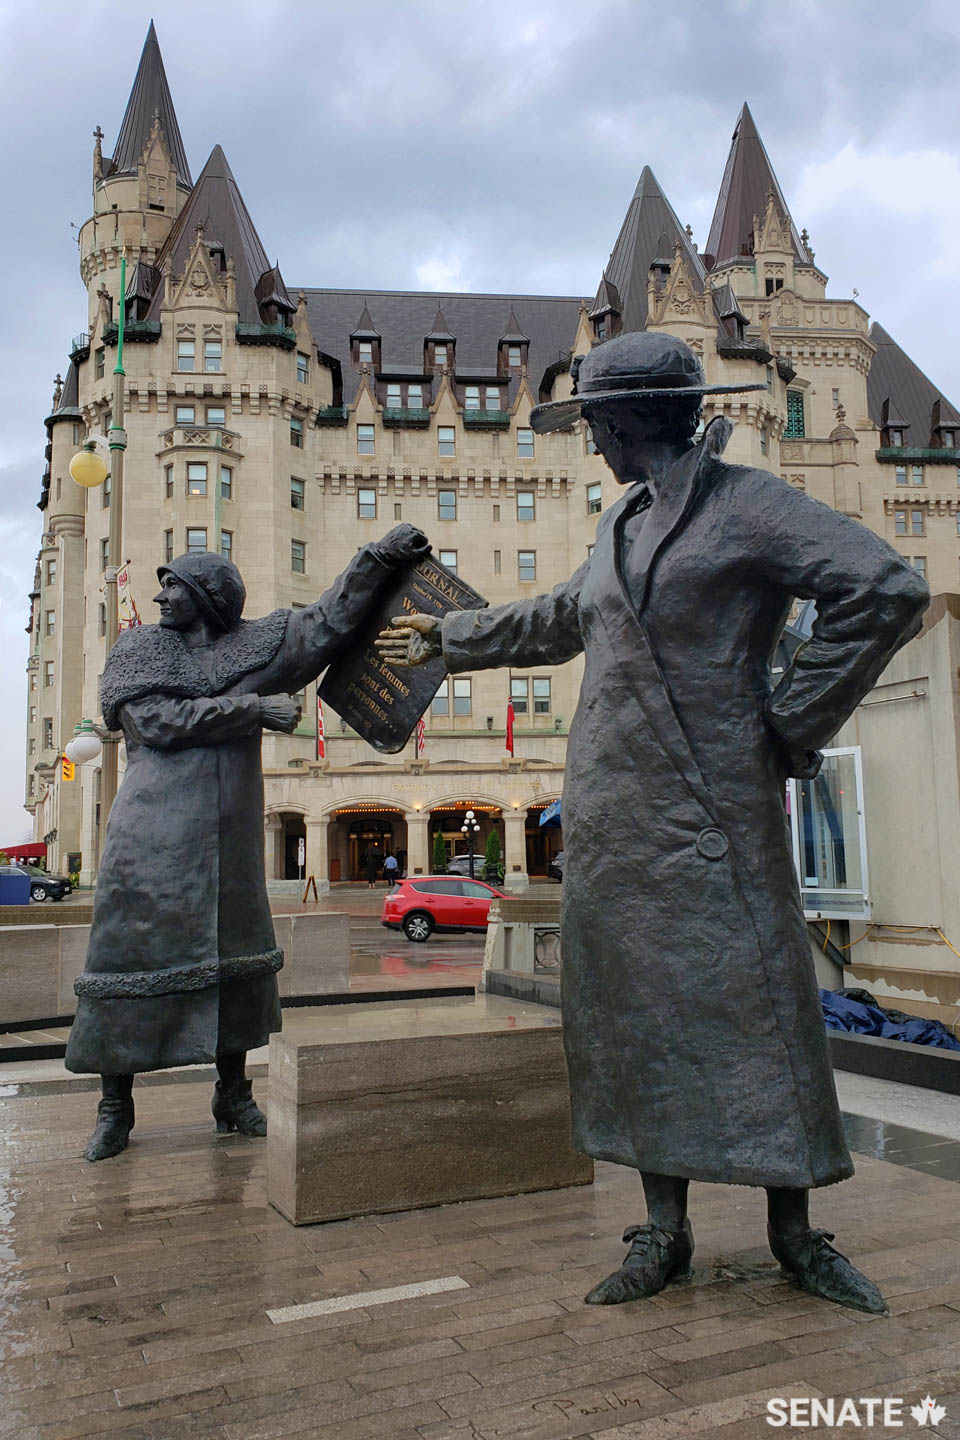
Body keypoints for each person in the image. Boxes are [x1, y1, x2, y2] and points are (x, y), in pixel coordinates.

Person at [377, 332, 929, 1315]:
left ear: (628, 419)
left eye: (593, 418)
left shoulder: (746, 504)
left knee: (758, 1004)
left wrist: (789, 725)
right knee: (630, 1016)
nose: (590, 436)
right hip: (616, 811)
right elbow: (559, 617)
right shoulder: (622, 521)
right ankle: (661, 1231)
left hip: (715, 801)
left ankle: (795, 1233)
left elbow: (884, 586)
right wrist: (451, 638)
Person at [67, 524, 429, 1161]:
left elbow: (326, 623)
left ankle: (232, 1094)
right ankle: (114, 1107)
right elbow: (149, 721)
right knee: (129, 957)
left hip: (230, 832)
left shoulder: (258, 646)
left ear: (207, 596)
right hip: (152, 829)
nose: (160, 599)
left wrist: (377, 558)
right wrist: (250, 711)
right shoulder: (143, 646)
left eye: (173, 587)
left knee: (234, 953)